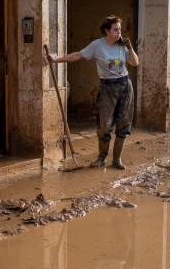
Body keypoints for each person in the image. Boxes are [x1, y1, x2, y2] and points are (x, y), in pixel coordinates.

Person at [49, 15, 139, 169]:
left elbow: (135, 63)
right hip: (107, 87)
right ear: (107, 31)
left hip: (125, 85)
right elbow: (78, 55)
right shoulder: (97, 46)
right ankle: (101, 158)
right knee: (104, 125)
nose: (119, 33)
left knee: (124, 124)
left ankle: (117, 159)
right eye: (115, 30)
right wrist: (56, 60)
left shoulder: (123, 45)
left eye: (119, 30)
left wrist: (130, 48)